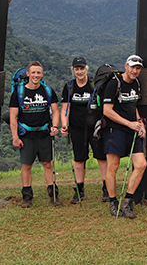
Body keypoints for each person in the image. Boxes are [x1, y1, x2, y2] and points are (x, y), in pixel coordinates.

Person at [9, 61, 62, 208]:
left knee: (47, 164)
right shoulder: (18, 93)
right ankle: (27, 196)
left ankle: (53, 194)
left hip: (44, 133)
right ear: (28, 74)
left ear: (42, 74)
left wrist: (55, 126)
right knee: (26, 165)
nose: (36, 75)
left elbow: (55, 111)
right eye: (33, 72)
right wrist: (15, 137)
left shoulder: (48, 91)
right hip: (26, 134)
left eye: (38, 72)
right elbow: (13, 116)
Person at [103, 55, 147, 218]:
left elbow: (132, 105)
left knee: (141, 164)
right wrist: (129, 124)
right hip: (115, 130)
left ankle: (128, 200)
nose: (135, 71)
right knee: (113, 166)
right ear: (126, 66)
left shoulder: (136, 83)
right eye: (133, 67)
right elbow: (107, 111)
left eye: (138, 68)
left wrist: (139, 122)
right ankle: (113, 201)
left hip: (132, 130)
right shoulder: (114, 83)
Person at [60, 57, 108, 203]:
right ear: (73, 70)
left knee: (101, 158)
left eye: (82, 68)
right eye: (77, 69)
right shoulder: (69, 86)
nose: (79, 72)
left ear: (86, 69)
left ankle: (106, 189)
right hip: (77, 129)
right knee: (79, 160)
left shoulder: (94, 85)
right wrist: (64, 125)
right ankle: (79, 191)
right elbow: (65, 108)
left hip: (95, 128)